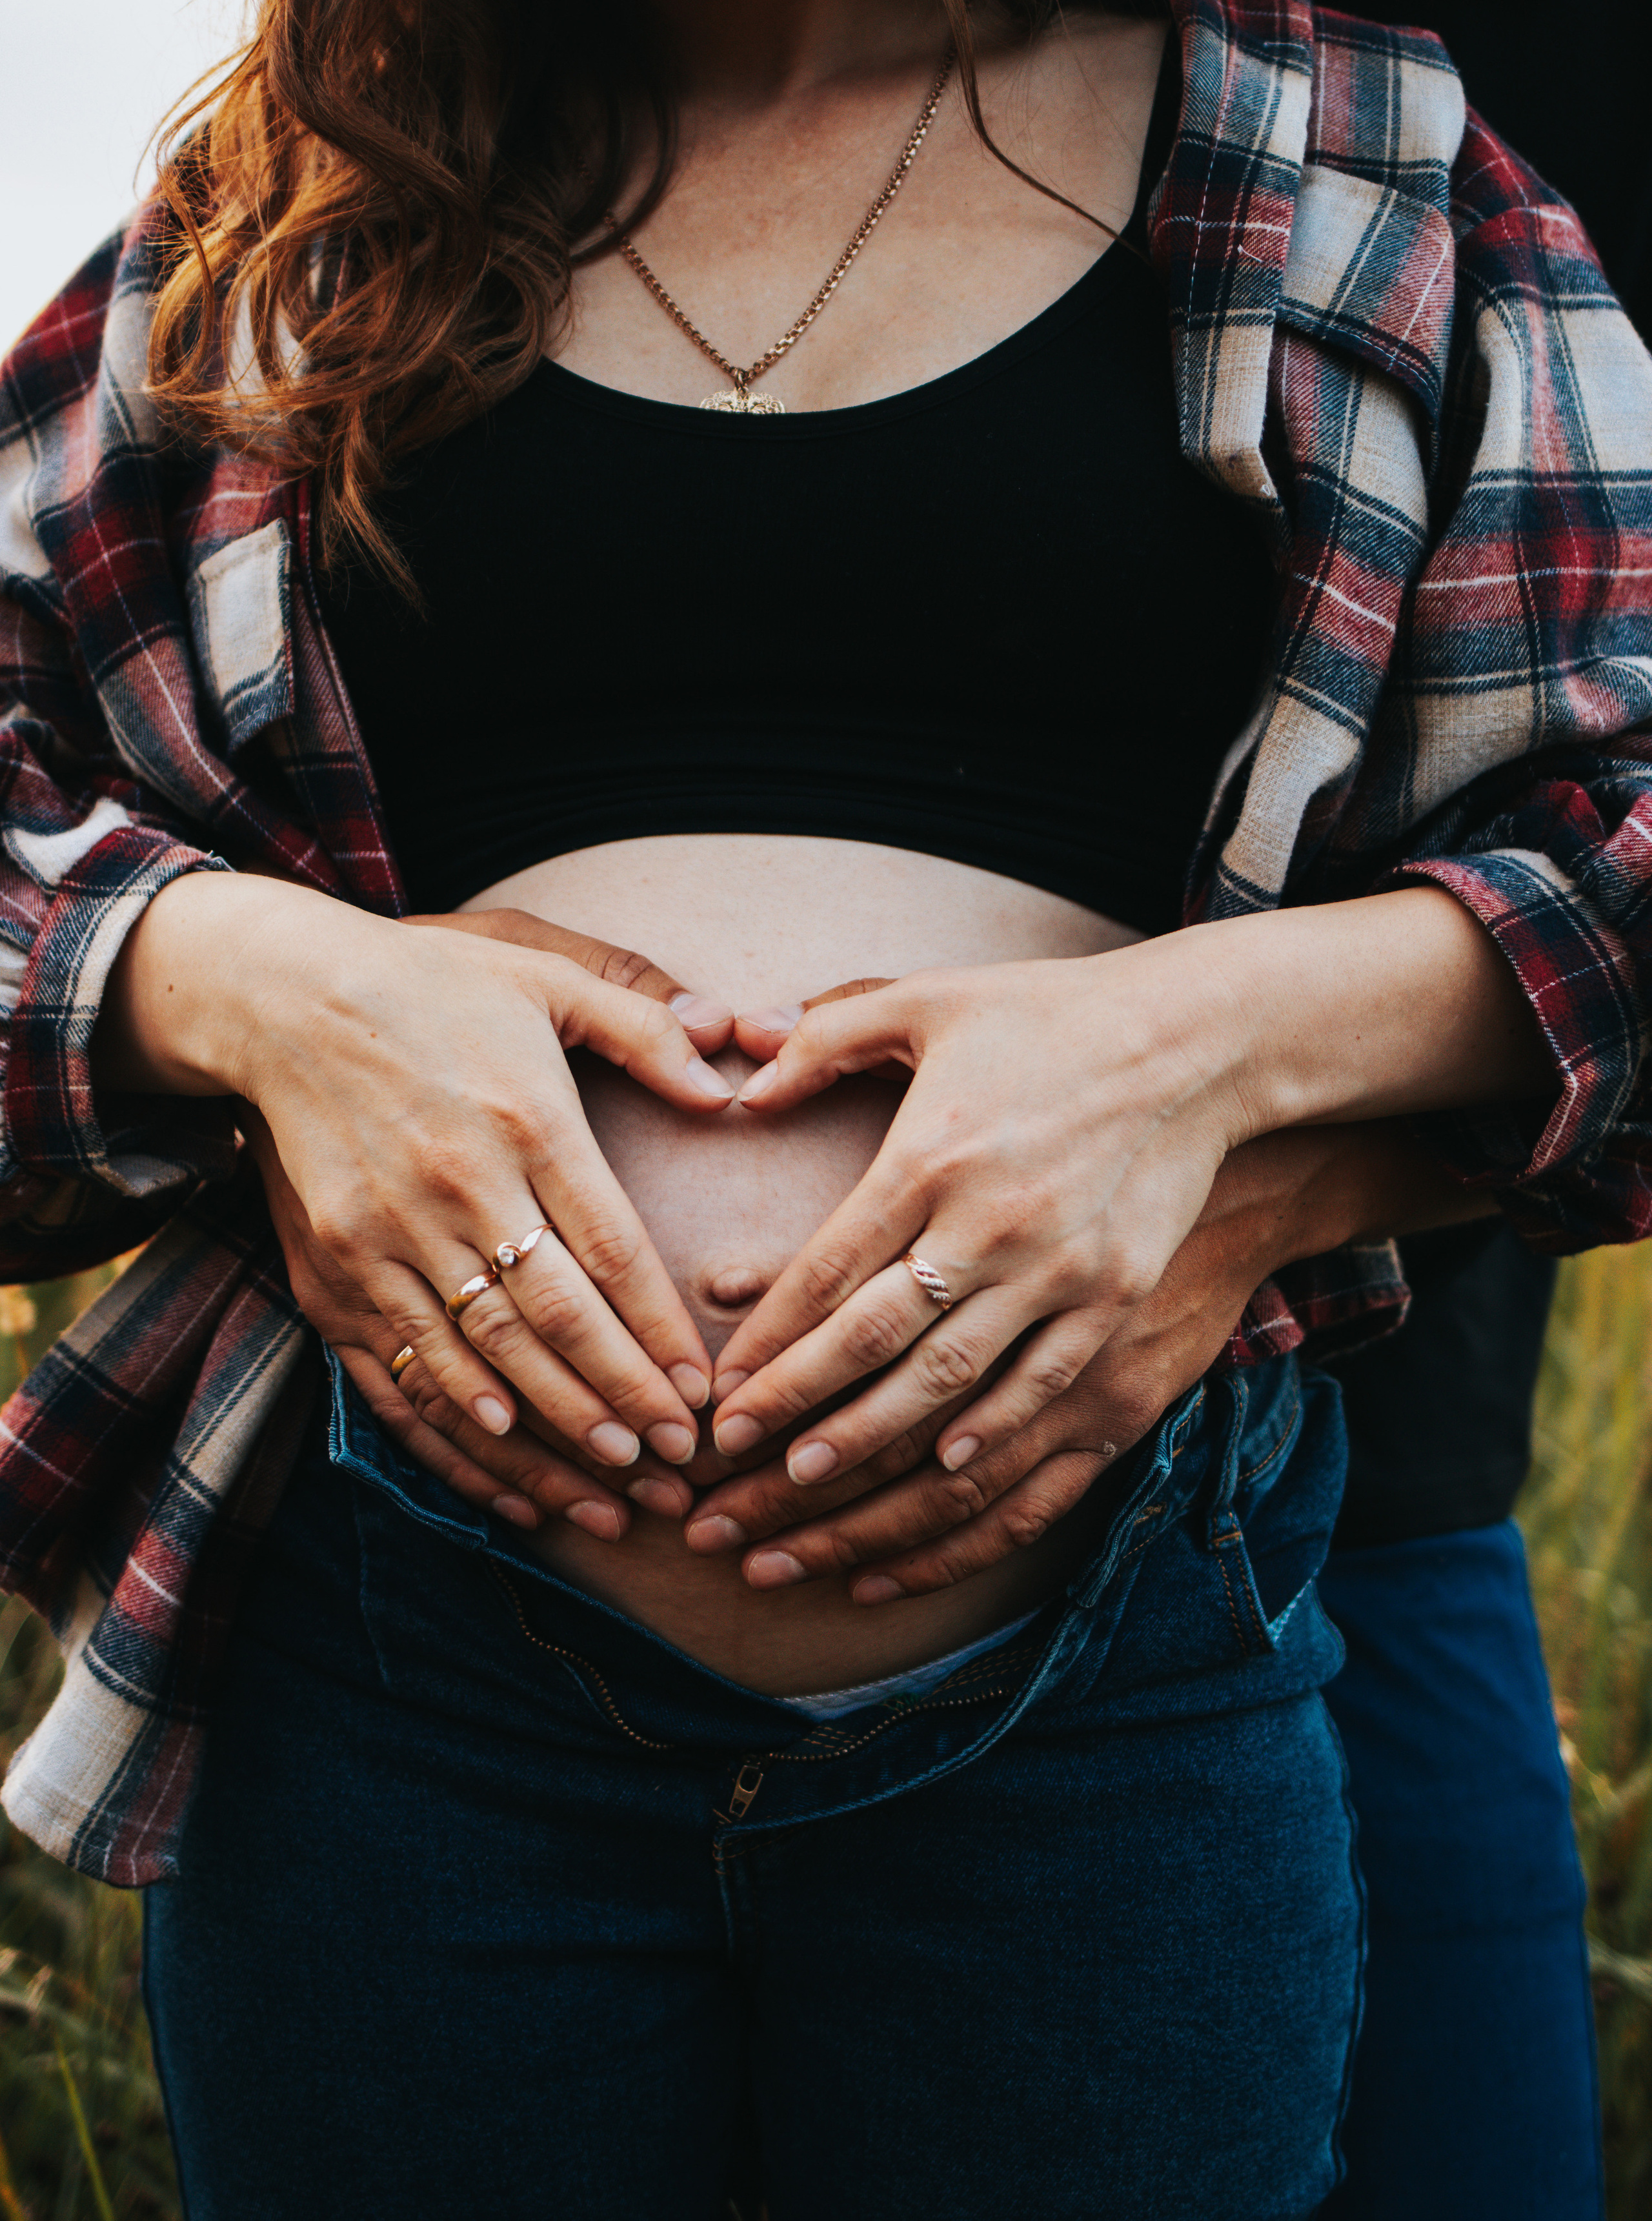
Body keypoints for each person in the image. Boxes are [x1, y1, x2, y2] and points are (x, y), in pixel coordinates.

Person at [0, 3, 1647, 2215]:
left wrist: (1226, 1050)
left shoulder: (1358, 163)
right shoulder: (305, 199)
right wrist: (257, 988)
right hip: (402, 1674)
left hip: (1101, 1677)